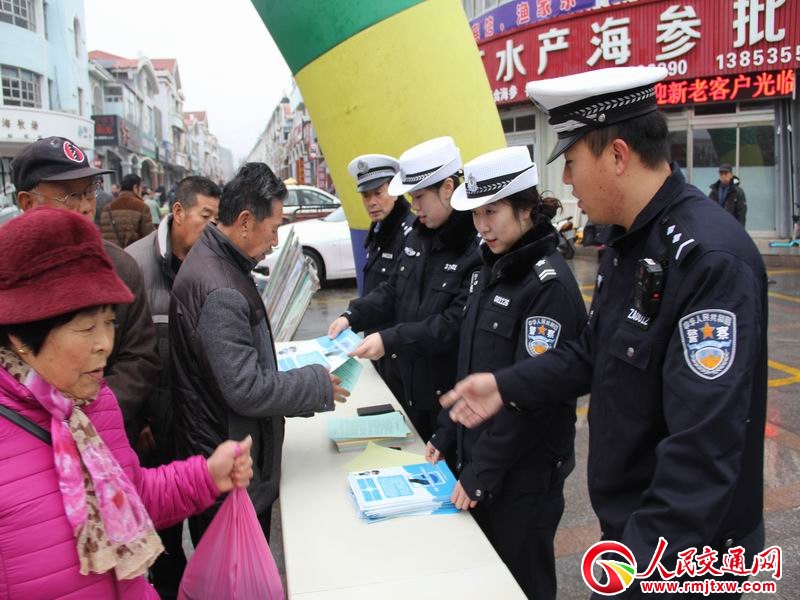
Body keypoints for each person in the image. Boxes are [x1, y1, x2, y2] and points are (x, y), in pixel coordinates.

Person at [442, 66, 768, 596]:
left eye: (571, 162)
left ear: (617, 155)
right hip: (637, 529)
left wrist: (631, 576)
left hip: (687, 551)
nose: (566, 181)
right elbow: (592, 353)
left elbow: (701, 453)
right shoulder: (627, 243)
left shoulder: (707, 259)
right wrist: (505, 385)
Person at [0, 206, 254, 599]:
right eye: (87, 327)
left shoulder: (93, 402)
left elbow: (128, 496)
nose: (105, 344)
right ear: (21, 337)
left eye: (109, 322)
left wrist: (207, 475)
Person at [425, 146, 586, 599]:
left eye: (492, 212)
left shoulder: (548, 286)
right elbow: (470, 365)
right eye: (476, 214)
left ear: (526, 209)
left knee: (522, 585)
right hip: (484, 462)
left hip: (523, 478)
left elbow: (533, 399)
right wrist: (446, 432)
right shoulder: (489, 267)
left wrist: (482, 472)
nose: (482, 226)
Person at [170, 162, 349, 545]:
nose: (276, 240)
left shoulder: (217, 262)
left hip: (222, 452)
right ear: (246, 221)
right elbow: (245, 388)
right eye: (274, 228)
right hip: (232, 470)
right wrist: (315, 384)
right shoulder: (220, 288)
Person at [329, 137, 481, 441]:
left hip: (449, 401)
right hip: (411, 387)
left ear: (447, 188)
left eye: (420, 196)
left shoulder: (475, 248)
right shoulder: (420, 235)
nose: (414, 206)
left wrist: (390, 339)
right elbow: (394, 289)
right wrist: (353, 315)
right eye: (411, 197)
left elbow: (452, 324)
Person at [11, 136, 160, 446]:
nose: (85, 206)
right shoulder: (8, 274)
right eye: (69, 195)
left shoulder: (120, 267)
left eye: (89, 192)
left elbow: (140, 358)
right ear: (27, 202)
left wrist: (89, 417)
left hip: (106, 442)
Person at [126, 175, 221, 599]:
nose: (212, 227)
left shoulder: (212, 263)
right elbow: (123, 358)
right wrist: (137, 421)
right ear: (178, 212)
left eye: (217, 218)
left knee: (209, 531)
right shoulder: (134, 267)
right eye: (206, 216)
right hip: (155, 433)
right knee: (163, 542)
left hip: (202, 428)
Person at [346, 153, 414, 392]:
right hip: (376, 345)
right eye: (366, 195)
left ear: (394, 191)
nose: (372, 202)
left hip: (395, 348)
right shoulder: (380, 228)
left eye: (378, 193)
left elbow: (399, 294)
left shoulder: (410, 232)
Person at [99, 173, 155, 247]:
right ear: (135, 188)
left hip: (111, 252)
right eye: (141, 188)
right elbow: (150, 238)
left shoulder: (107, 208)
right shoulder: (142, 207)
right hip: (133, 252)